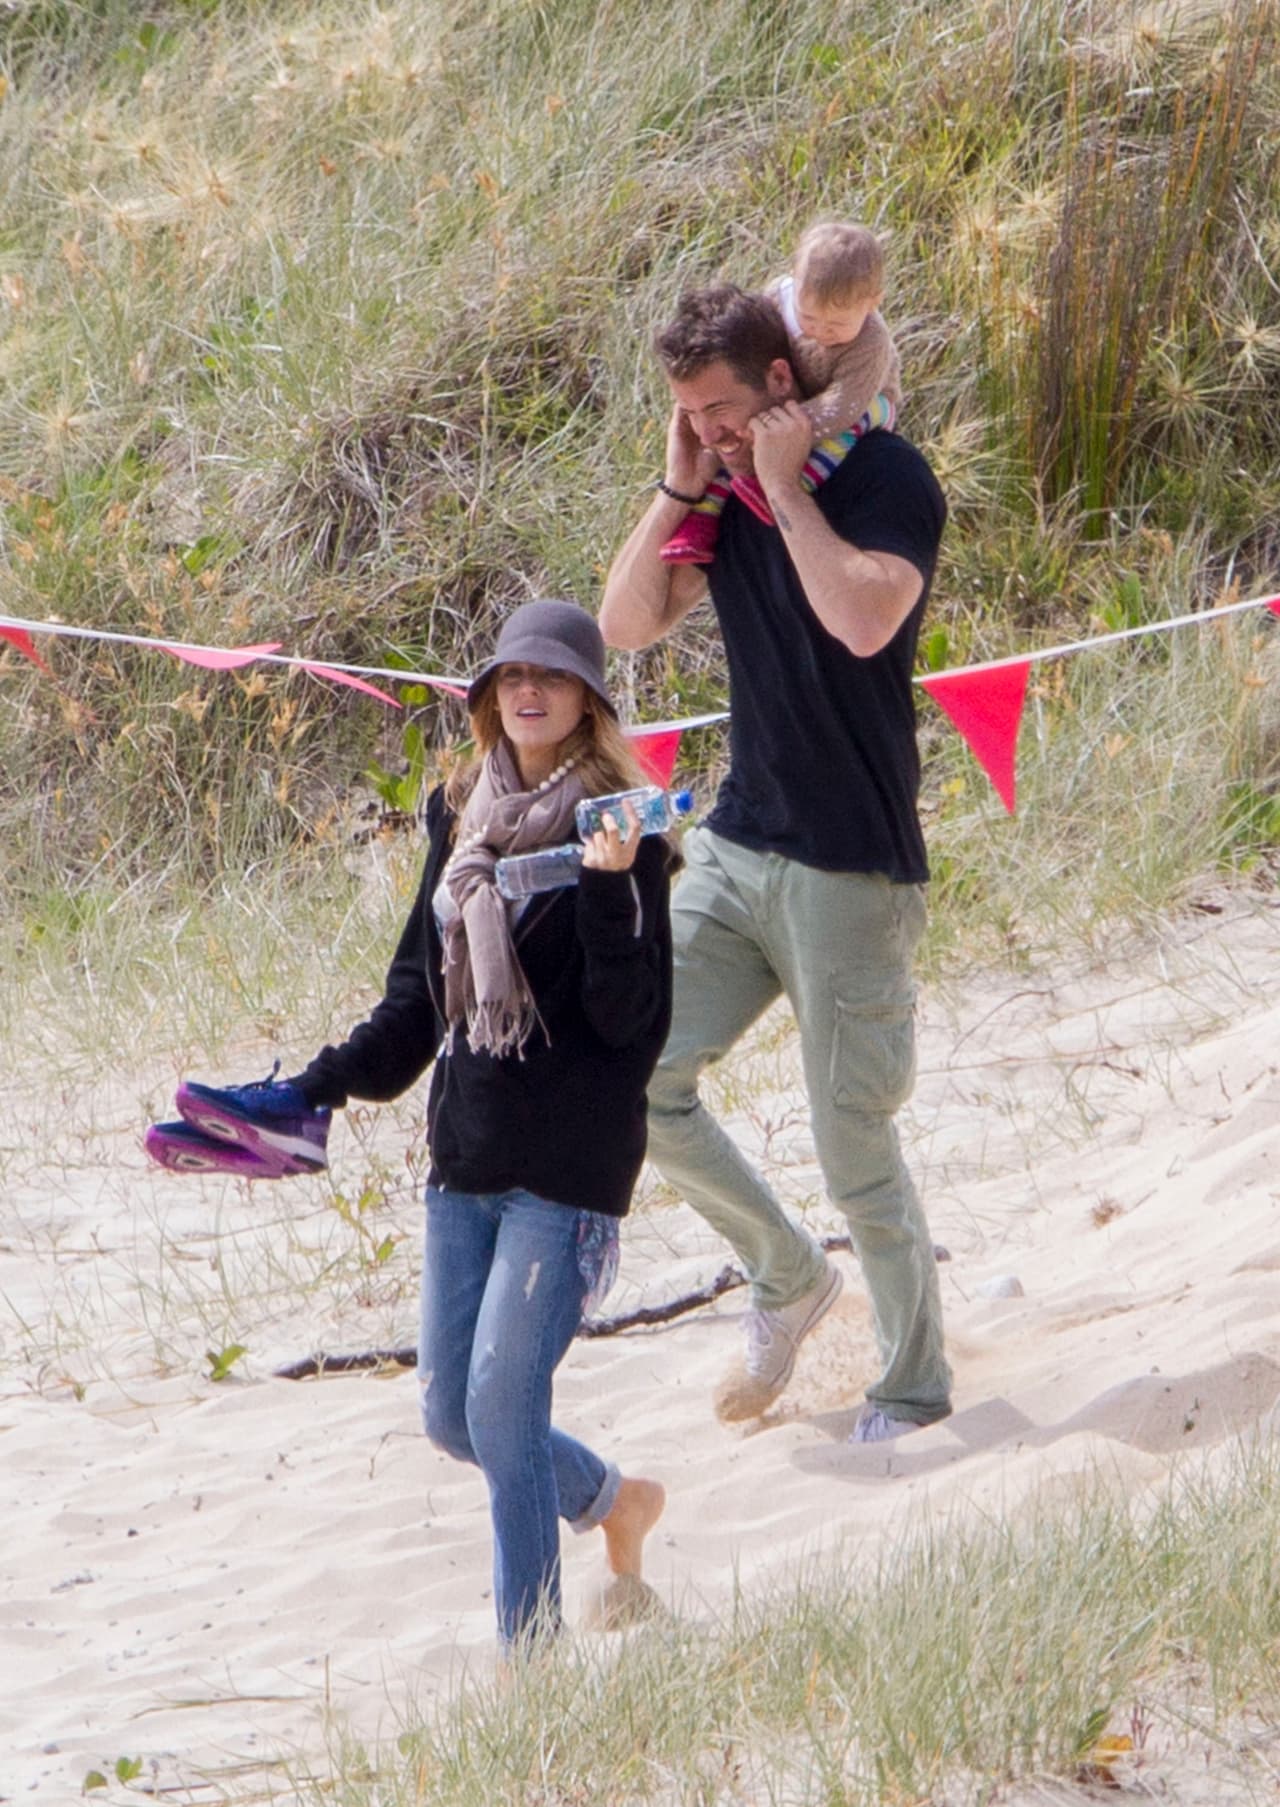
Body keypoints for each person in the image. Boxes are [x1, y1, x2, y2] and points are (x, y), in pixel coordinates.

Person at [166, 600, 674, 1653]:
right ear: (489, 699)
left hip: (567, 1168)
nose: (525, 691)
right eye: (506, 677)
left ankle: (527, 1665)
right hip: (467, 1156)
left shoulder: (626, 822)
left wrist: (609, 890)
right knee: (453, 1416)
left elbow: (633, 1026)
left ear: (586, 699)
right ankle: (615, 1501)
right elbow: (415, 998)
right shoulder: (463, 816)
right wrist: (313, 1089)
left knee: (500, 1403)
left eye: (549, 675)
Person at [600, 284, 952, 1444]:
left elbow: (861, 620)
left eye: (718, 408)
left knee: (854, 1146)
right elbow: (624, 625)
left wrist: (789, 489)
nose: (708, 429)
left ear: (782, 386)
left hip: (851, 865)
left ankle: (908, 1388)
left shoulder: (884, 479)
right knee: (633, 1068)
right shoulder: (719, 494)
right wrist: (677, 479)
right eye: (686, 412)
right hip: (740, 842)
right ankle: (787, 1275)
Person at [660, 222, 902, 566]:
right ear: (794, 281)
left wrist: (785, 430)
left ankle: (795, 484)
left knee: (849, 430)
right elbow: (752, 338)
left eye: (836, 325)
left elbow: (842, 405)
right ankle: (704, 516)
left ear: (872, 303)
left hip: (862, 400)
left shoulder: (869, 344)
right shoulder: (778, 296)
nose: (819, 332)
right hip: (800, 389)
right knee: (728, 436)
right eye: (809, 318)